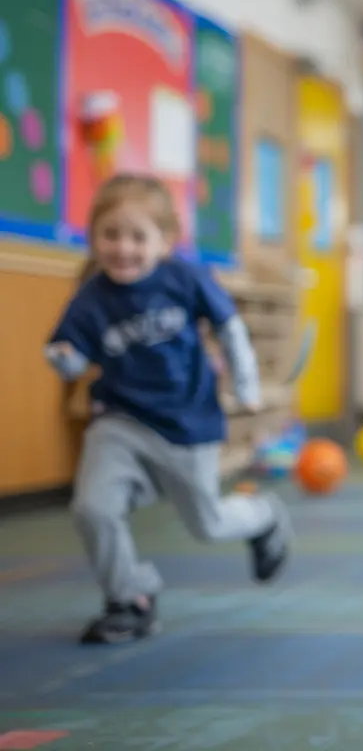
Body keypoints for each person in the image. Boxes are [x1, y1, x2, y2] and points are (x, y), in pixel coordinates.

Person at [44, 173, 293, 645]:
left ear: (165, 240)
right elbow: (71, 354)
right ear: (94, 237)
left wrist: (246, 385)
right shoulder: (91, 296)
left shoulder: (184, 278)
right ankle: (130, 598)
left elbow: (231, 329)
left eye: (138, 236)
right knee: (93, 509)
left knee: (208, 524)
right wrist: (63, 360)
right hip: (118, 422)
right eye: (110, 235)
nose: (123, 248)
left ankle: (264, 515)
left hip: (187, 426)